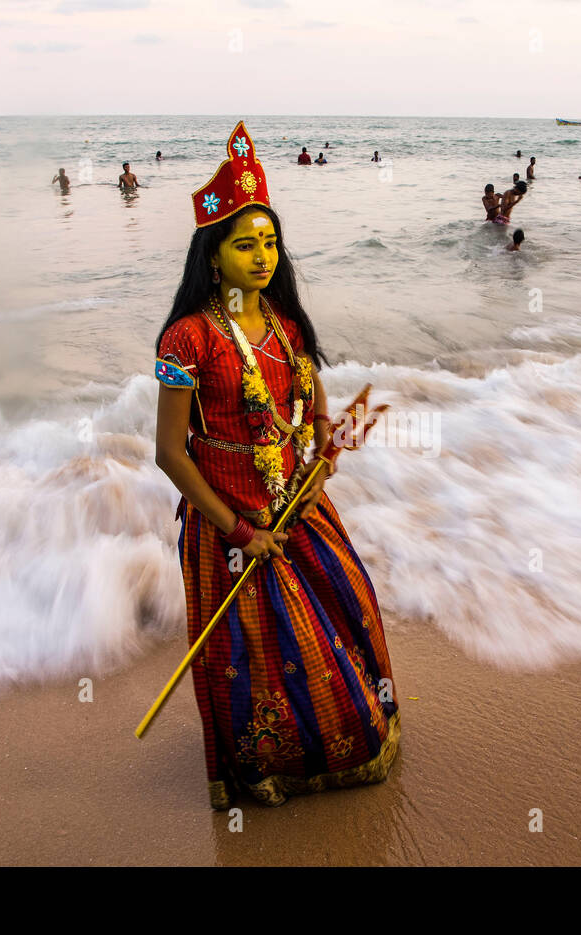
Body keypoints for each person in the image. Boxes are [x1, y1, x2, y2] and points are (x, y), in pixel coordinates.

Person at [152, 121, 400, 810]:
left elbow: (314, 406)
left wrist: (323, 449)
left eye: (269, 243)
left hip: (299, 510)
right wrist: (239, 532)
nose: (261, 256)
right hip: (229, 524)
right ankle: (267, 772)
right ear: (213, 257)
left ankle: (344, 749)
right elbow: (169, 453)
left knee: (345, 620)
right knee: (256, 659)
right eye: (244, 244)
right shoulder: (188, 338)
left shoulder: (286, 326)